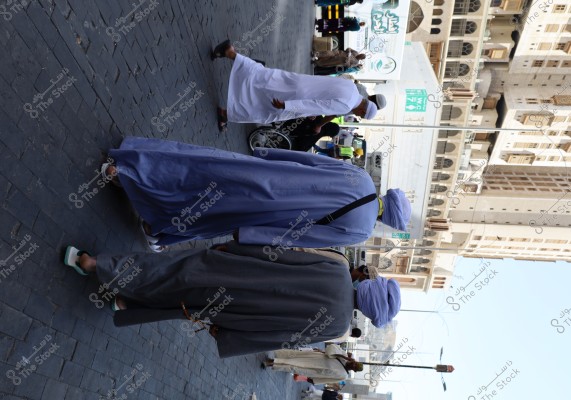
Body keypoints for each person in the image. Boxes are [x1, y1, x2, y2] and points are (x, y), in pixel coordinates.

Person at [62, 242, 401, 357]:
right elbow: (283, 338)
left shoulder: (337, 267)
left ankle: (95, 264)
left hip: (236, 270)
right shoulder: (339, 327)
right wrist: (229, 335)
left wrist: (236, 248)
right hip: (237, 310)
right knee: (180, 307)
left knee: (173, 269)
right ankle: (123, 304)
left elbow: (280, 254)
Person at [104, 137, 412, 249]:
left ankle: (128, 167)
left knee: (202, 167)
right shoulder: (359, 232)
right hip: (264, 212)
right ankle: (153, 223)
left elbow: (307, 160)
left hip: (267, 176)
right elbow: (302, 236)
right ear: (388, 222)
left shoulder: (360, 176)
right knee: (208, 217)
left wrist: (267, 155)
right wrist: (255, 236)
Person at [210, 41, 378, 132]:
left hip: (300, 81)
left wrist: (312, 112)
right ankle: (226, 114)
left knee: (263, 76)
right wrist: (288, 105)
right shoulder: (346, 106)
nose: (357, 116)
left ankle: (231, 52)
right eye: (361, 116)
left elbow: (326, 91)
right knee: (265, 113)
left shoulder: (351, 86)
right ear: (363, 111)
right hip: (296, 98)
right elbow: (317, 104)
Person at [262, 343, 362, 385]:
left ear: (354, 370)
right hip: (314, 357)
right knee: (293, 357)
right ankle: (273, 359)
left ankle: (271, 364)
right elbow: (330, 349)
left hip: (315, 370)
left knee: (293, 367)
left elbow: (329, 380)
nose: (353, 365)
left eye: (354, 367)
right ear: (354, 361)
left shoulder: (343, 376)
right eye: (354, 363)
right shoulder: (343, 356)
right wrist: (344, 357)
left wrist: (314, 380)